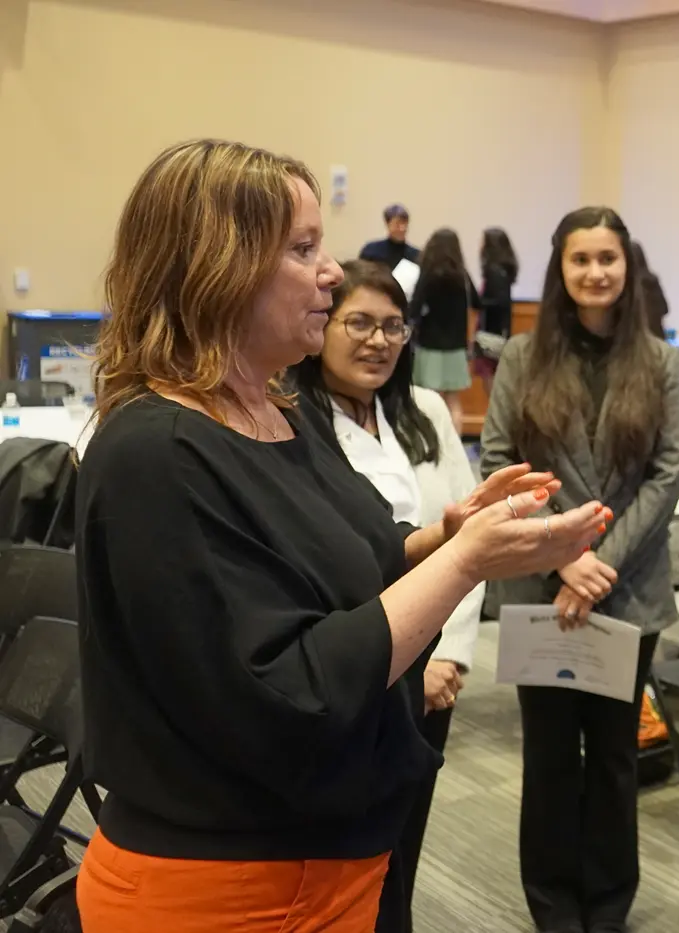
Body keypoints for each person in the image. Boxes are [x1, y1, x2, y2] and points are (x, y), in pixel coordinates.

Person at [74, 139, 609, 933]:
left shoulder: (276, 410)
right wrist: (467, 563)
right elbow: (290, 688)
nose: (331, 271)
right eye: (303, 249)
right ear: (218, 268)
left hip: (327, 858)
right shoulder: (156, 452)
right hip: (227, 885)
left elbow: (352, 554)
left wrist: (442, 537)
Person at [479, 206, 679, 933]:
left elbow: (669, 473)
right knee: (547, 757)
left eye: (608, 258)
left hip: (627, 591)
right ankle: (553, 906)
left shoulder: (660, 361)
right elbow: (499, 461)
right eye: (581, 259)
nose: (596, 271)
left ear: (627, 265)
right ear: (560, 268)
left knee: (613, 758)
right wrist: (564, 558)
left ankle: (606, 905)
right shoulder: (520, 356)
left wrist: (601, 562)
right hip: (541, 585)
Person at [289, 259, 482, 933]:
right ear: (322, 326)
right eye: (360, 323)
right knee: (348, 853)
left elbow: (468, 537)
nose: (378, 341)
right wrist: (404, 665)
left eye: (393, 326)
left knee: (407, 839)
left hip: (436, 666)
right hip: (354, 663)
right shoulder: (291, 418)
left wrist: (448, 655)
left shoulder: (425, 410)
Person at [410, 228, 477, 433]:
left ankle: (431, 442)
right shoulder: (462, 275)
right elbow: (477, 302)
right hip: (456, 346)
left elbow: (415, 307)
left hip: (430, 345)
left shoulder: (428, 274)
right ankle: (455, 442)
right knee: (453, 400)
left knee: (426, 399)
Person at [473, 226, 519, 397]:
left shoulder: (494, 272)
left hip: (490, 333)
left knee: (490, 378)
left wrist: (478, 302)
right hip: (498, 332)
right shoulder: (503, 271)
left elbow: (498, 302)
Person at [361, 203, 421, 270]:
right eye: (397, 224)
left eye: (405, 223)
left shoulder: (416, 255)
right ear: (387, 224)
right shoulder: (371, 250)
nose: (402, 228)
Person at [629, 240, 669, 338]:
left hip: (637, 340)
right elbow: (665, 309)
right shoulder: (652, 280)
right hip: (657, 338)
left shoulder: (626, 286)